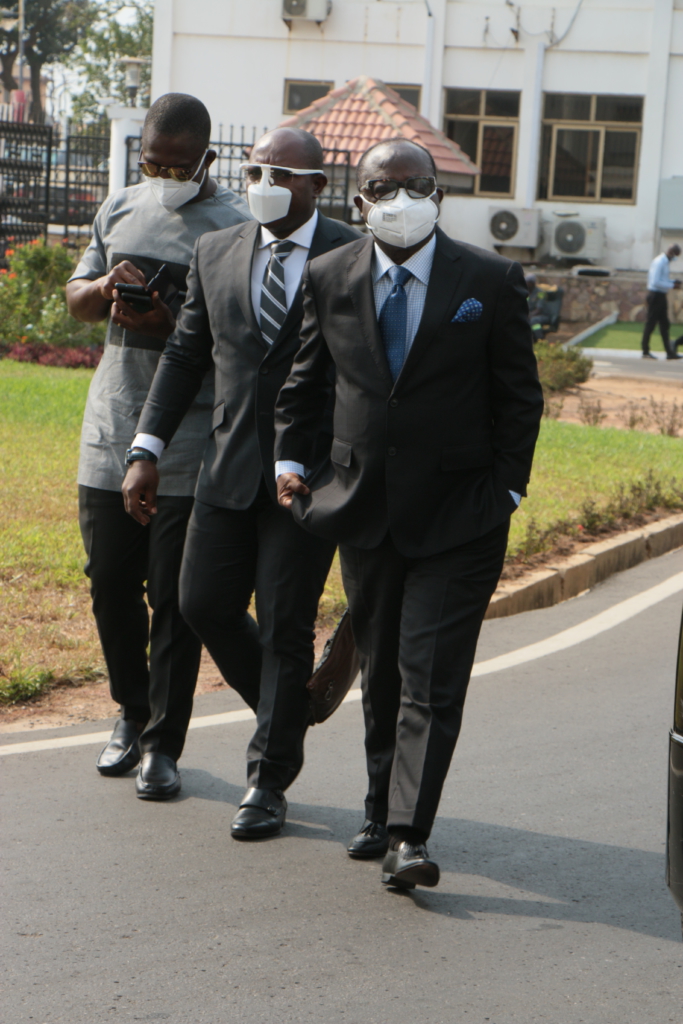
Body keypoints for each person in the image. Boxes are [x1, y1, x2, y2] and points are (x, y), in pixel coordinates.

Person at [274, 138, 544, 889]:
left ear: (439, 196)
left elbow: (519, 396)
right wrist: (290, 466)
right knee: (384, 671)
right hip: (364, 510)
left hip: (462, 517)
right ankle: (375, 806)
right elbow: (305, 385)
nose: (400, 200)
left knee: (431, 675)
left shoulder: (487, 281)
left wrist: (508, 491)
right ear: (357, 203)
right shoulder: (328, 276)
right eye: (382, 188)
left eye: (415, 185)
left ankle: (407, 836)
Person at [122, 128, 360, 830]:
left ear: (317, 183)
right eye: (254, 169)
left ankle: (268, 779)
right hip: (225, 470)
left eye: (280, 173)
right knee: (200, 602)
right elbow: (185, 355)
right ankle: (293, 706)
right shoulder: (216, 250)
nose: (261, 182)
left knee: (286, 626)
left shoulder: (352, 253)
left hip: (308, 479)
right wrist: (147, 447)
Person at [66, 93, 252, 799]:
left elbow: (237, 340)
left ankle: (163, 743)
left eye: (179, 164)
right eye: (152, 160)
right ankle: (130, 711)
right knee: (110, 580)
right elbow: (76, 291)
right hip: (112, 424)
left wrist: (174, 319)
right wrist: (105, 291)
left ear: (208, 158)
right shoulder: (118, 208)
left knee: (173, 594)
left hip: (191, 434)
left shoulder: (234, 224)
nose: (165, 173)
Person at [641, 244, 682, 359]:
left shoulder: (665, 262)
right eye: (675, 256)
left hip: (661, 296)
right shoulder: (659, 262)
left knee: (665, 324)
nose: (674, 259)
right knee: (651, 324)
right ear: (671, 253)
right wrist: (671, 285)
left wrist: (673, 282)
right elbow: (655, 282)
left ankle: (669, 352)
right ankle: (645, 351)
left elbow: (662, 279)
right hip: (655, 296)